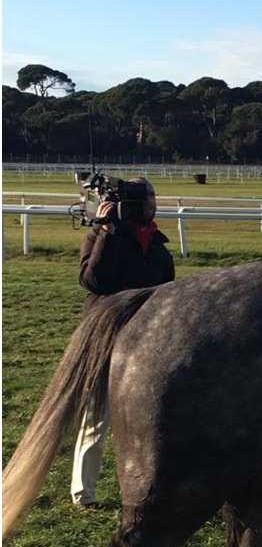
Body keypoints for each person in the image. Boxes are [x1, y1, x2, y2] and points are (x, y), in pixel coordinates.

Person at [71, 177, 175, 507]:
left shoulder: (158, 245)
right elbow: (93, 280)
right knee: (96, 418)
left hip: (146, 338)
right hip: (106, 334)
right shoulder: (101, 237)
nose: (153, 204)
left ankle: (148, 487)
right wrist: (105, 231)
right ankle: (82, 492)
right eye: (148, 199)